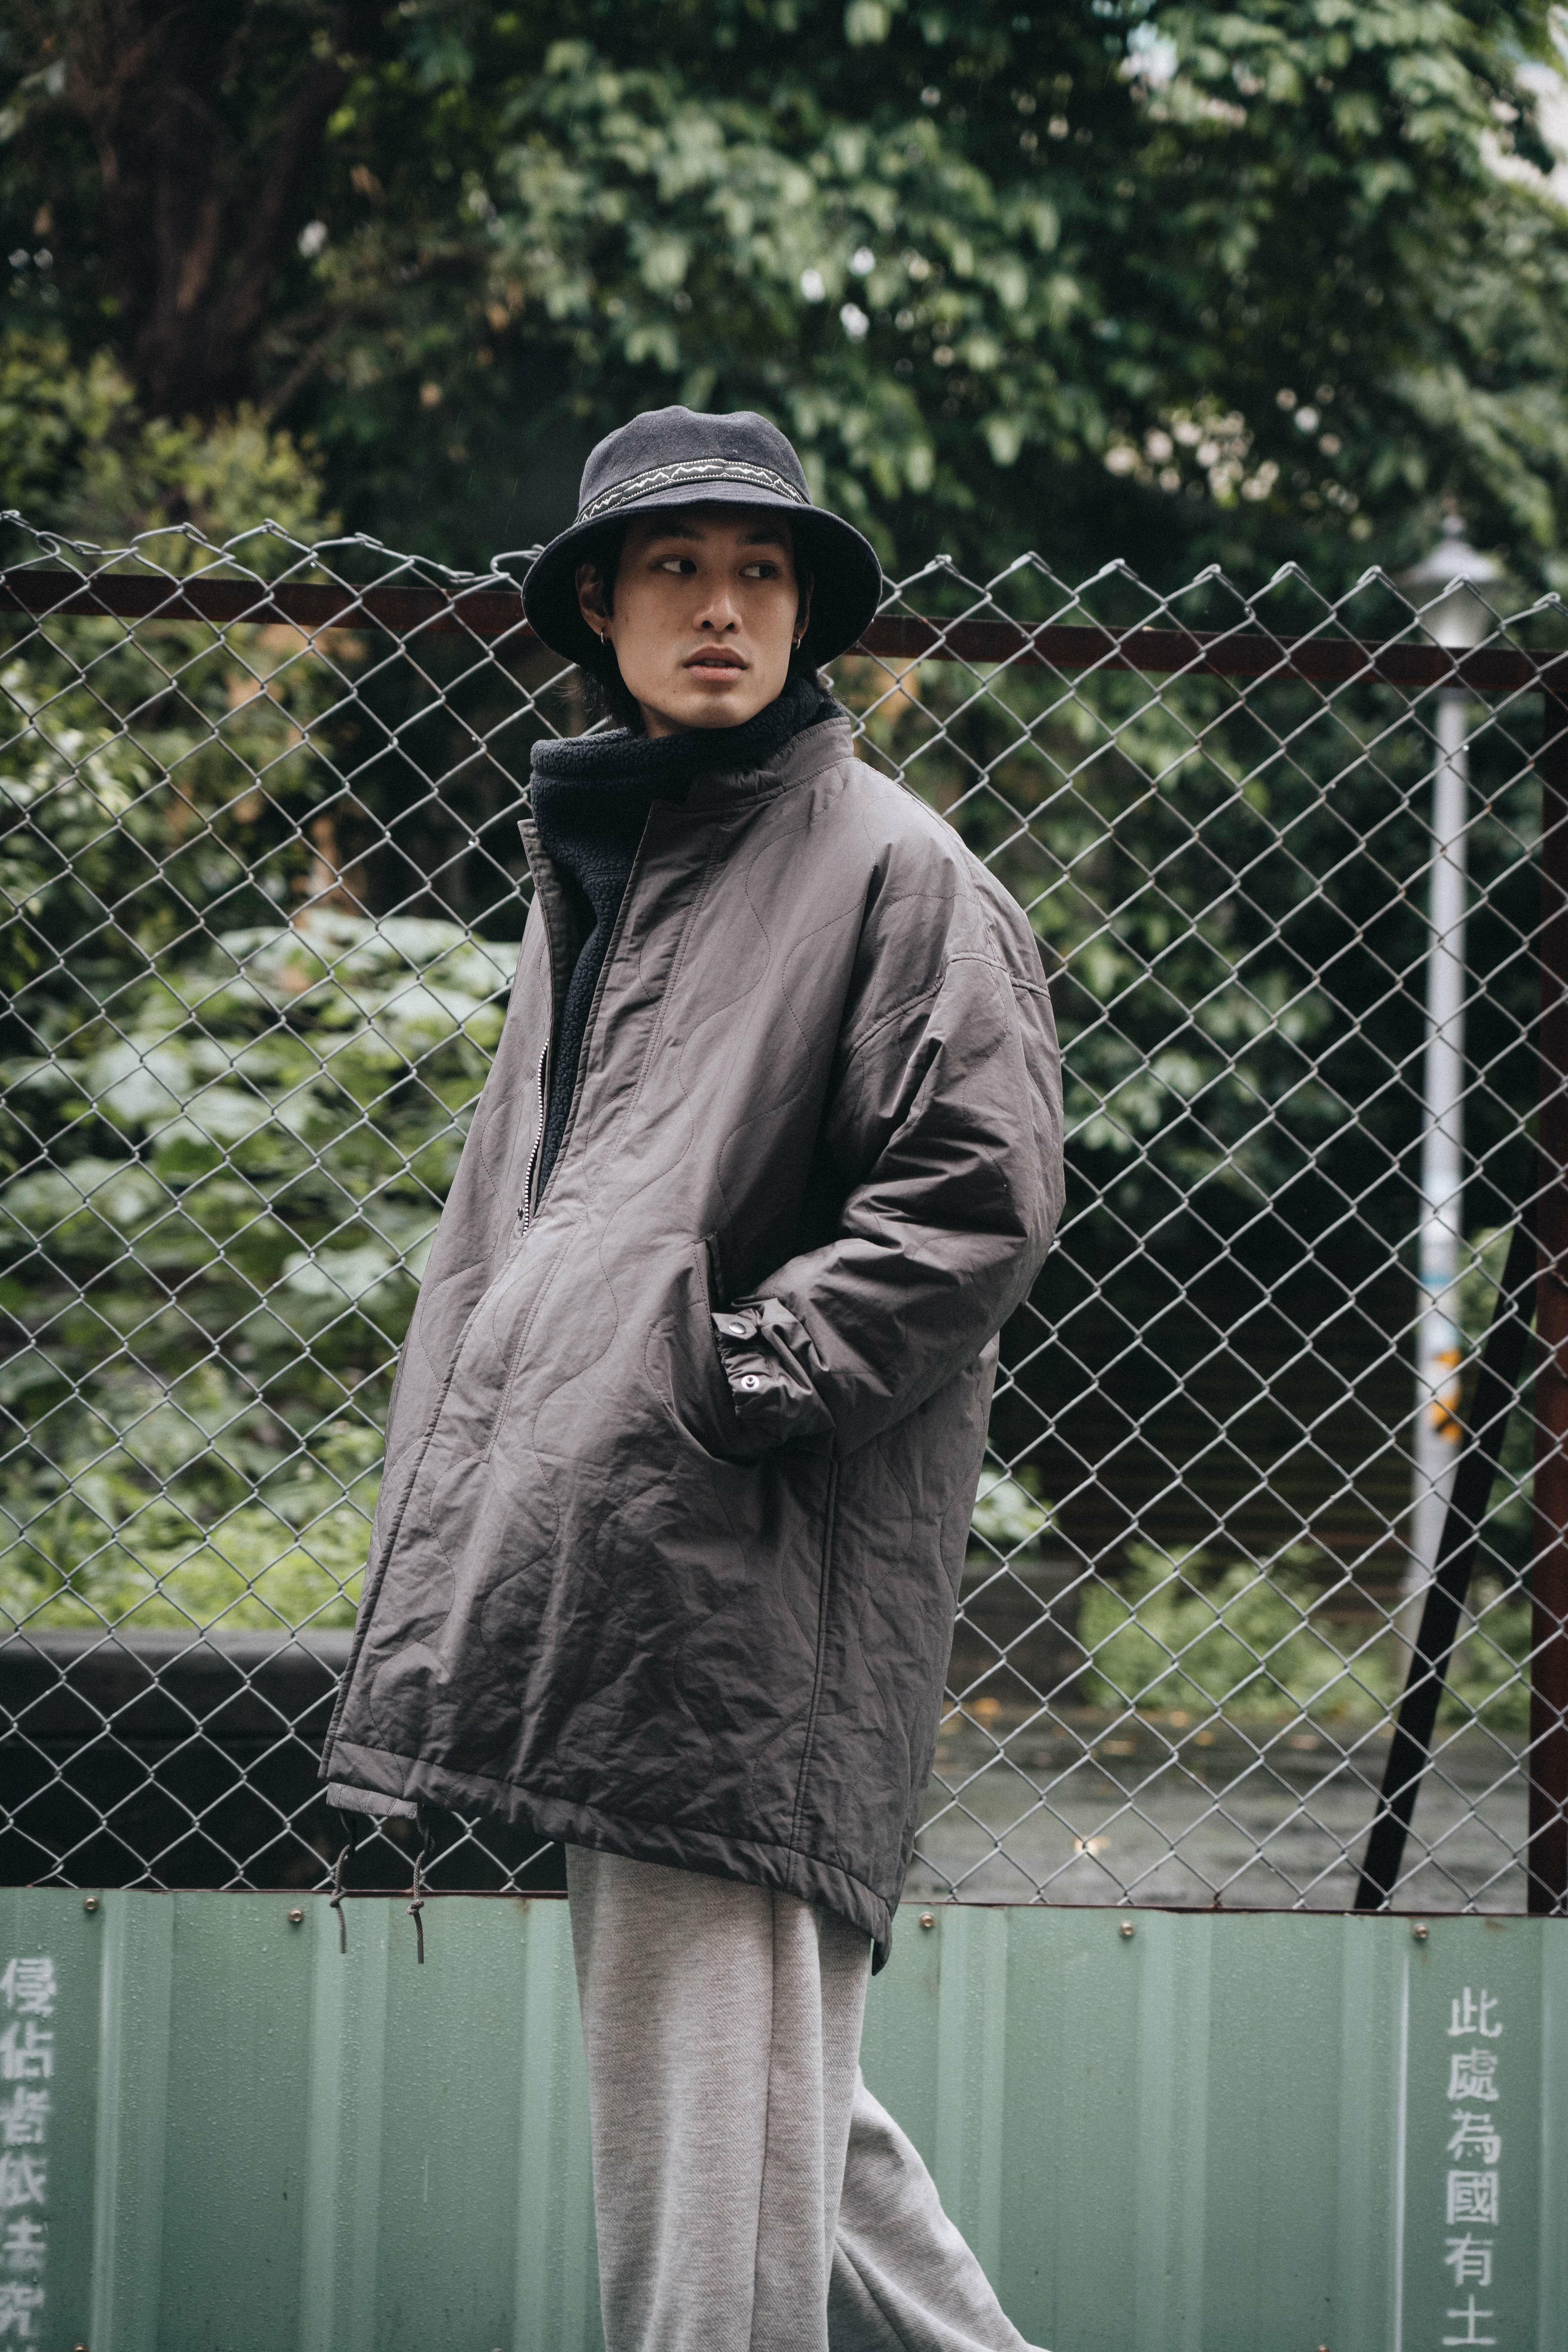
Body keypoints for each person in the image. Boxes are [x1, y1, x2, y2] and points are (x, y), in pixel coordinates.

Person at [321, 406, 1064, 2351]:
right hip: (625, 1566)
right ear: (599, 605)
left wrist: (719, 1383)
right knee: (783, 2134)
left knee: (712, 2175)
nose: (722, 606)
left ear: (806, 612)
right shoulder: (617, 865)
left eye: (760, 571)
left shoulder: (892, 869)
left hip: (740, 1590)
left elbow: (976, 1202)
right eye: (675, 566)